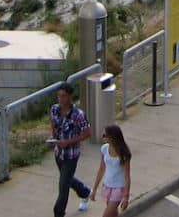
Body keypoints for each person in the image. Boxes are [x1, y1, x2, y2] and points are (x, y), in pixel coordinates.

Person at [50, 83, 92, 216]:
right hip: (59, 154)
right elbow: (53, 124)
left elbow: (87, 133)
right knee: (67, 179)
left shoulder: (78, 115)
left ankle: (58, 213)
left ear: (69, 97)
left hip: (71, 155)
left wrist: (67, 142)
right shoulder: (54, 109)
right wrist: (53, 138)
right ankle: (85, 192)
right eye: (59, 96)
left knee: (63, 187)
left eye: (63, 96)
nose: (60, 99)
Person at [90, 125, 132, 217]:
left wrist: (126, 196)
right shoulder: (104, 149)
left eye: (105, 135)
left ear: (112, 137)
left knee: (107, 215)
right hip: (107, 185)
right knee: (113, 213)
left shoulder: (124, 154)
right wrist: (94, 189)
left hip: (119, 188)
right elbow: (101, 169)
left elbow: (127, 176)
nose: (102, 137)